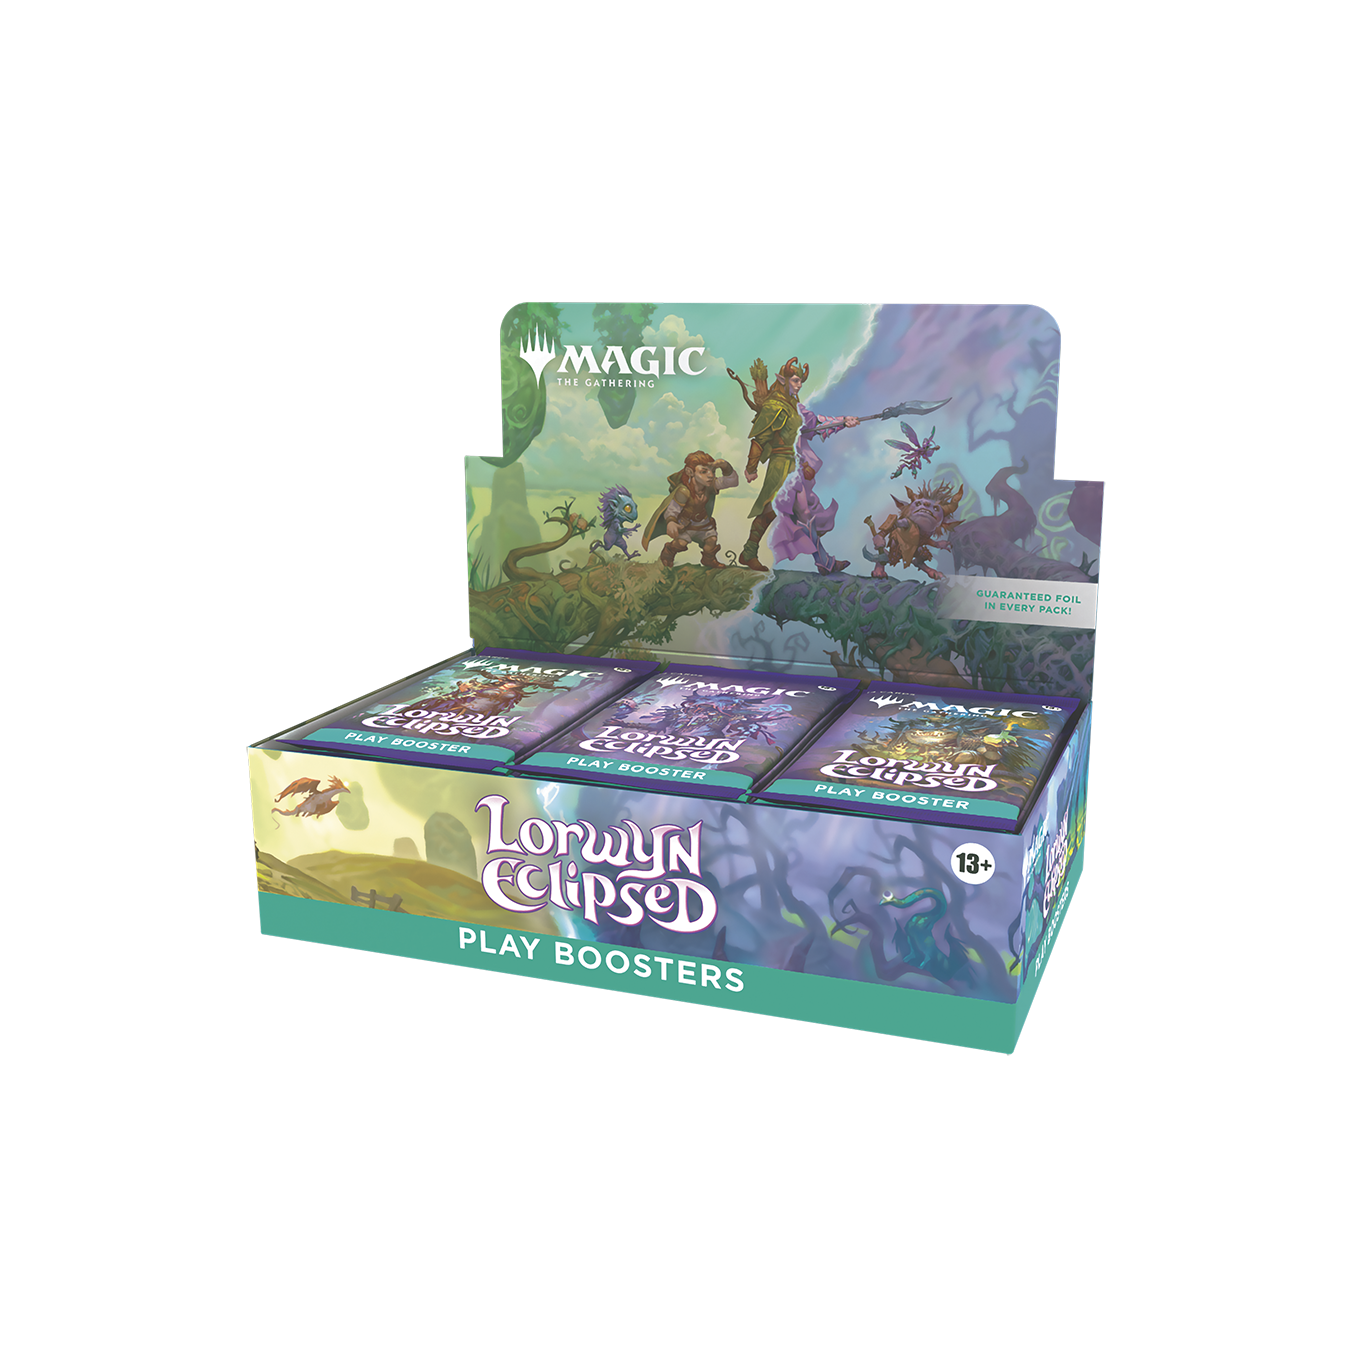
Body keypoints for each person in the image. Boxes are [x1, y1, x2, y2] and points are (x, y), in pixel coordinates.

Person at [738, 357, 860, 573]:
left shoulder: (794, 406)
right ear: (782, 380)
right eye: (795, 380)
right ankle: (750, 553)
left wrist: (844, 420)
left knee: (800, 512)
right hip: (780, 464)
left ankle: (823, 561)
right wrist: (751, 468)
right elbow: (759, 439)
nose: (799, 385)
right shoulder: (774, 407)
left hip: (794, 464)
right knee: (773, 510)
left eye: (801, 381)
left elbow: (815, 422)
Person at [642, 450, 739, 568]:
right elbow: (673, 509)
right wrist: (671, 522)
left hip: (703, 523)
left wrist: (726, 467)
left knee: (711, 540)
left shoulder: (709, 485)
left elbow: (733, 482)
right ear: (690, 472)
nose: (710, 475)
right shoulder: (684, 491)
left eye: (713, 471)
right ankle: (668, 554)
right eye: (703, 471)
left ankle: (708, 560)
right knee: (681, 543)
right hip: (685, 524)